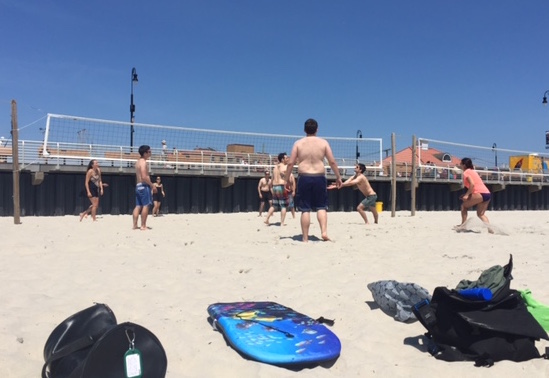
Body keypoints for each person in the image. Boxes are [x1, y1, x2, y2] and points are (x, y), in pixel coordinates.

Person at [285, 119, 342, 242]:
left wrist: (286, 180)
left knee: (305, 209)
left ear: (304, 130)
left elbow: (290, 163)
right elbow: (332, 161)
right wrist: (338, 176)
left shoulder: (298, 143)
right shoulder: (323, 143)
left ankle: (305, 238)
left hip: (304, 176)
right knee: (321, 206)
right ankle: (324, 232)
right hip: (319, 176)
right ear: (317, 129)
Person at [456, 157, 492, 230]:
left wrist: (466, 195)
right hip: (487, 193)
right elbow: (475, 185)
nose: (460, 165)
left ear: (464, 165)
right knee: (481, 214)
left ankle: (463, 226)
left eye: (461, 163)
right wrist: (467, 195)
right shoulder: (473, 171)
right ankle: (490, 230)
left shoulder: (466, 172)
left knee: (464, 206)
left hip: (480, 193)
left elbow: (472, 184)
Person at [132, 145, 157, 230]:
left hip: (138, 186)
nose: (151, 153)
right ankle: (143, 225)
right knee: (146, 205)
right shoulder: (143, 162)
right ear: (145, 153)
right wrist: (152, 185)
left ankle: (135, 225)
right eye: (149, 151)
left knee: (138, 206)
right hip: (144, 185)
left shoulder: (138, 162)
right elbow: (144, 176)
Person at [265, 153, 290, 225]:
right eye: (286, 158)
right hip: (281, 186)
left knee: (274, 205)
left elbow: (271, 179)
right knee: (284, 205)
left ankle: (266, 219)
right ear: (282, 159)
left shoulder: (275, 167)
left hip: (275, 186)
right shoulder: (284, 166)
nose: (287, 159)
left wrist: (271, 188)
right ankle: (282, 223)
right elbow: (285, 175)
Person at [284, 154, 296, 219]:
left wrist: (294, 191)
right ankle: (284, 217)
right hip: (285, 190)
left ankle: (293, 216)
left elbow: (294, 183)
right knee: (284, 205)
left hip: (290, 191)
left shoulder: (291, 175)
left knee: (291, 205)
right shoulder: (284, 174)